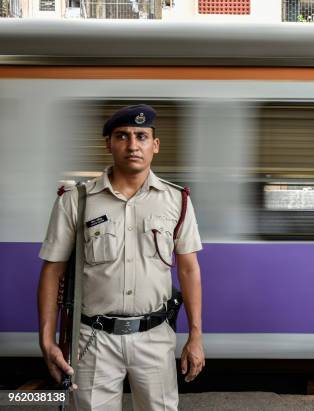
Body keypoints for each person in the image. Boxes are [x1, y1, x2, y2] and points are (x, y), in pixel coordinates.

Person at [37, 104, 204, 410]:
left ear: (155, 145)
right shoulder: (76, 201)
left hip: (154, 337)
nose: (132, 145)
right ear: (109, 144)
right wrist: (46, 340)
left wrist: (196, 336)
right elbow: (52, 271)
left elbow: (189, 270)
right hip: (93, 340)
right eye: (122, 136)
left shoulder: (176, 201)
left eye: (142, 136)